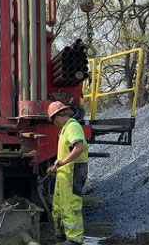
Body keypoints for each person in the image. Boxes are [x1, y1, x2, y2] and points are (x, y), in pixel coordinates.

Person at [47, 101, 89, 245]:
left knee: (70, 205)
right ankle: (61, 236)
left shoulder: (72, 126)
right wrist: (57, 166)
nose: (54, 123)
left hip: (73, 172)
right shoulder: (65, 129)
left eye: (53, 120)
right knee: (59, 206)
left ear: (57, 116)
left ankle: (75, 239)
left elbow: (79, 147)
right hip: (64, 174)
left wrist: (62, 162)